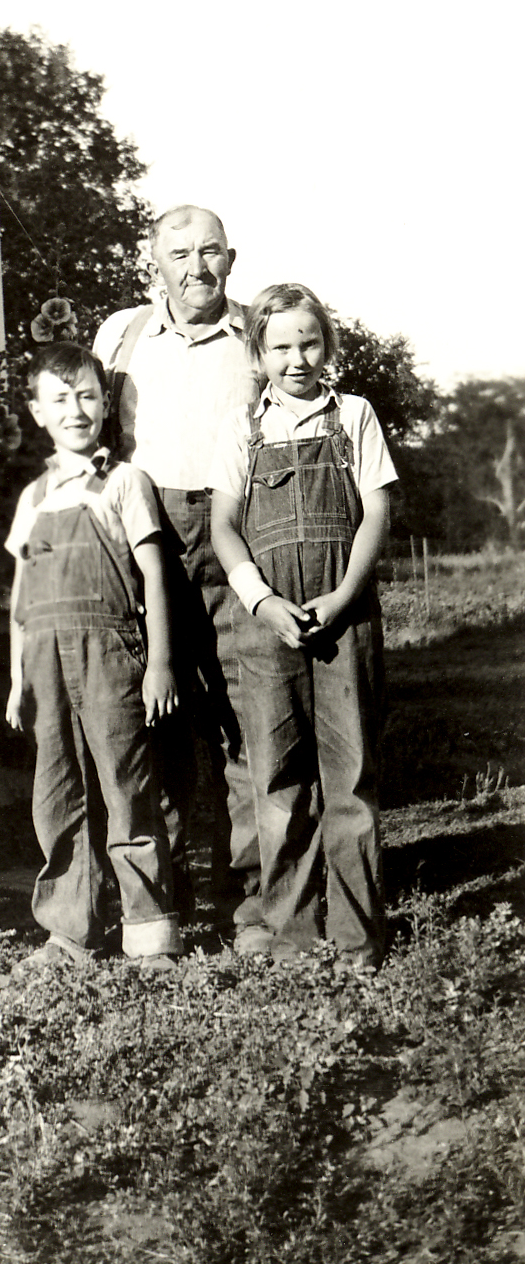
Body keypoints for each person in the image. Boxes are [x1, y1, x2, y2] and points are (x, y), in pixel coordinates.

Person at [209, 283, 397, 971]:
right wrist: (260, 601)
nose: (296, 359)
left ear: (329, 346)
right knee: (278, 780)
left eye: (308, 343)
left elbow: (375, 514)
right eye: (279, 346)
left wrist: (344, 594)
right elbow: (223, 527)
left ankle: (355, 942)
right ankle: (291, 938)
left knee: (348, 779)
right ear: (257, 354)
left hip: (344, 618)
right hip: (268, 625)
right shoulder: (242, 428)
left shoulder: (353, 417)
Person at [94, 205, 262, 937]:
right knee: (152, 720)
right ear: (152, 263)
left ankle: (252, 906)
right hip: (144, 537)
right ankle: (158, 908)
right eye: (179, 254)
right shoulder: (120, 335)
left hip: (237, 532)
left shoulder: (258, 332)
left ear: (232, 258)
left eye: (210, 252)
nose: (196, 267)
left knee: (246, 720)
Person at [5, 342, 184, 974]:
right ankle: (69, 932)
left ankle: (150, 932)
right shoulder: (34, 499)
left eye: (86, 396)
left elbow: (155, 575)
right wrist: (15, 679)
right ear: (37, 412)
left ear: (105, 405)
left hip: (110, 652)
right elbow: (22, 597)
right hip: (46, 664)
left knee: (127, 786)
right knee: (57, 792)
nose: (75, 410)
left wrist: (159, 662)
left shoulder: (124, 482)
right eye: (60, 399)